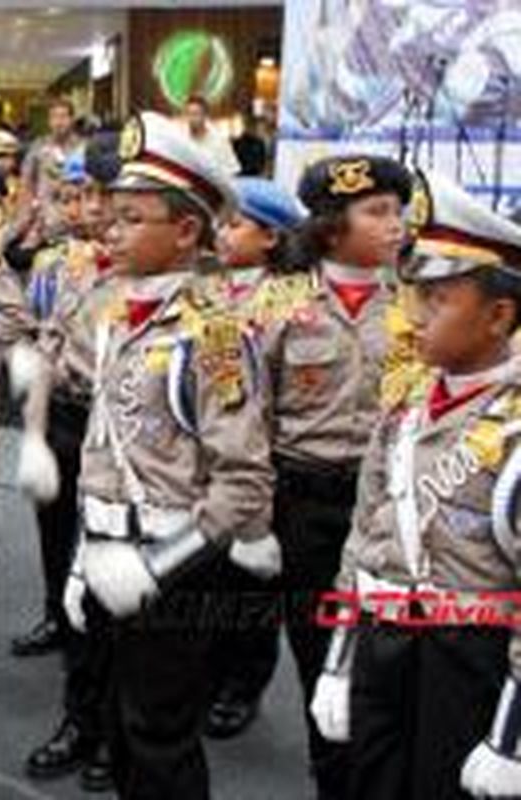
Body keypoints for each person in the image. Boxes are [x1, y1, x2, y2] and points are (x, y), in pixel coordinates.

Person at [17, 111, 276, 799]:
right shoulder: (112, 310)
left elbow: (244, 484)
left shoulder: (215, 335)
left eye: (131, 218)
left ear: (187, 231)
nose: (109, 229)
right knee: (120, 729)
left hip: (170, 564)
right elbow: (104, 449)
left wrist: (156, 565)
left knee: (162, 739)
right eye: (112, 214)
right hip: (105, 549)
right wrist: (82, 560)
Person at [311, 170, 521, 799]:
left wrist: (511, 735)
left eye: (438, 299)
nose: (413, 316)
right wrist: (340, 662)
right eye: (411, 295)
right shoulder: (405, 401)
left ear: (499, 315)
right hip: (383, 644)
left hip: (468, 659)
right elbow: (367, 536)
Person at [254, 153, 418, 800]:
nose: (396, 224)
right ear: (329, 225)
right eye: (377, 212)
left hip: (395, 510)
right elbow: (249, 415)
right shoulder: (278, 304)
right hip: (307, 506)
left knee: (396, 665)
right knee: (325, 663)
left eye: (398, 211)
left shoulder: (418, 301)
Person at [15, 130, 122, 793]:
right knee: (66, 578)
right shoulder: (69, 266)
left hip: (129, 445)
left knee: (117, 591)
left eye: (101, 196)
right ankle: (80, 717)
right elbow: (45, 352)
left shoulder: (186, 283)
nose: (88, 210)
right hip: (66, 426)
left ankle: (114, 729)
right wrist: (31, 438)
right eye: (79, 194)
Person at [203, 177, 305, 740]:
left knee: (253, 588)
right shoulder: (208, 290)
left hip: (262, 461)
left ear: (270, 237)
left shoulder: (289, 298)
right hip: (208, 461)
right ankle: (214, 672)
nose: (222, 234)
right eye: (219, 222)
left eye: (235, 224)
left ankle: (245, 683)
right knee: (210, 579)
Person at [19, 99, 84, 238]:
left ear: (72, 119)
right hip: (44, 218)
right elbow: (26, 182)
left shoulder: (83, 147)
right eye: (54, 117)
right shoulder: (38, 146)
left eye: (63, 116)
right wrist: (27, 212)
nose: (59, 122)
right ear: (49, 121)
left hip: (75, 218)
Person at [182, 95, 240, 176]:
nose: (191, 119)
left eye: (195, 114)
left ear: (204, 115)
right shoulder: (182, 140)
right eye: (188, 114)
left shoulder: (219, 140)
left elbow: (233, 169)